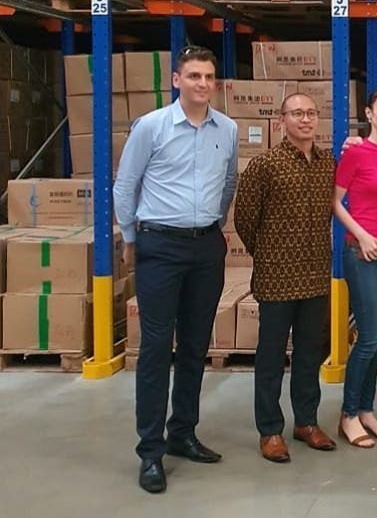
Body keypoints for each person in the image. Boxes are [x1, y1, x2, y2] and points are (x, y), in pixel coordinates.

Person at [114, 45, 238, 494]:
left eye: (208, 77)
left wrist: (212, 225)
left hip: (205, 246)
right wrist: (131, 237)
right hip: (160, 245)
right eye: (194, 76)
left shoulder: (228, 128)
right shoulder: (151, 127)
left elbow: (229, 183)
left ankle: (183, 432)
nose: (202, 84)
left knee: (194, 345)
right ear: (176, 80)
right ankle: (150, 451)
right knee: (155, 348)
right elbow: (126, 184)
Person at [234, 93, 338, 463]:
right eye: (297, 114)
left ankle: (306, 422)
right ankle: (270, 430)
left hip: (315, 275)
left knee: (310, 353)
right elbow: (244, 218)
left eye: (310, 113)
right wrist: (267, 252)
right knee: (271, 355)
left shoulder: (327, 164)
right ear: (282, 121)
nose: (305, 119)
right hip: (276, 277)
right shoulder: (265, 165)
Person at [332, 89, 377, 448]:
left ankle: (366, 409)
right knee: (370, 337)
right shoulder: (355, 152)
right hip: (361, 253)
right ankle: (348, 414)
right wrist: (361, 235)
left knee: (376, 340)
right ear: (369, 113)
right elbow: (335, 202)